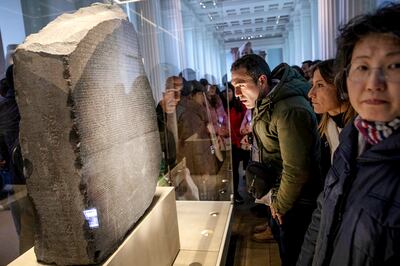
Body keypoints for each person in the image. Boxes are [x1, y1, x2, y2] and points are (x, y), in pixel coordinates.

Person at [297, 4, 400, 266]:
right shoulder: (352, 141)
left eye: (394, 65)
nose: (373, 83)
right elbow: (322, 216)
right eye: (362, 67)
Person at [231, 54, 321, 266]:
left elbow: (296, 168)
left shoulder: (289, 109)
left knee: (294, 255)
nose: (236, 94)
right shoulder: (268, 102)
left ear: (262, 80)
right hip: (281, 193)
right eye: (234, 85)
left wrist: (279, 205)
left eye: (241, 85)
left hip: (296, 200)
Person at [308, 59, 357, 176]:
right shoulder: (326, 125)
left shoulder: (362, 130)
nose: (310, 94)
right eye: (312, 85)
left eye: (320, 85)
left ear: (342, 88)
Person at [221, 83, 248, 203]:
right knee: (226, 169)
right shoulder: (220, 106)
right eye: (225, 92)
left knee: (235, 168)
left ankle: (235, 192)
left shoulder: (240, 106)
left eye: (229, 91)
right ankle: (227, 193)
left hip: (237, 142)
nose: (227, 94)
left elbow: (246, 121)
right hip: (225, 142)